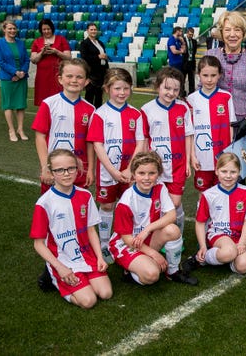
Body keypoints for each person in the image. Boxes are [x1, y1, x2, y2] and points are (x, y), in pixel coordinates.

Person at [30, 149, 112, 309]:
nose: (66, 174)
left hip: (86, 256)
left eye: (70, 168)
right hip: (62, 260)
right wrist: (60, 268)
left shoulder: (85, 196)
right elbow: (38, 244)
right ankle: (53, 277)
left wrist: (100, 257)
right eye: (59, 170)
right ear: (51, 172)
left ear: (77, 169)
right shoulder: (44, 203)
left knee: (106, 293)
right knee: (88, 301)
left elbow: (91, 230)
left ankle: (83, 278)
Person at [109, 151, 198, 285]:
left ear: (158, 174)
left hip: (146, 236)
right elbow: (127, 238)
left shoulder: (160, 187)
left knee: (172, 230)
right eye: (141, 173)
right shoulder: (126, 202)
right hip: (125, 244)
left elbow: (172, 215)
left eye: (152, 173)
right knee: (152, 275)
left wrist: (148, 229)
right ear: (133, 174)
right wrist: (153, 253)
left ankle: (173, 272)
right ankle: (129, 270)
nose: (147, 178)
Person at [87, 68, 145, 259]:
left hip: (130, 173)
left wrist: (129, 169)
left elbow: (140, 143)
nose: (121, 93)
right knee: (107, 206)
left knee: (127, 206)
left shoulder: (135, 114)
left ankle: (122, 240)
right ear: (106, 89)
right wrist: (112, 170)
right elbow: (98, 146)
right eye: (117, 88)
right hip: (107, 173)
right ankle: (104, 244)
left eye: (126, 88)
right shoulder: (100, 114)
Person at [141, 66, 194, 236]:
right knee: (157, 202)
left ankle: (177, 236)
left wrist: (187, 162)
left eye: (175, 89)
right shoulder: (147, 109)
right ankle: (159, 235)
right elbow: (144, 139)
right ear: (158, 87)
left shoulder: (183, 108)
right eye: (167, 88)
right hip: (156, 167)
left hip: (177, 165)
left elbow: (188, 136)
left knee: (175, 203)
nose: (171, 93)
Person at [206, 11, 246, 163]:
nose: (232, 34)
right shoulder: (211, 55)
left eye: (237, 30)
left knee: (243, 170)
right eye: (228, 30)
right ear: (221, 33)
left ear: (244, 33)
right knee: (221, 169)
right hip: (217, 124)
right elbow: (202, 89)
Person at [32, 58, 95, 194]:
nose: (74, 80)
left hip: (80, 169)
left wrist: (90, 169)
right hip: (55, 168)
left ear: (86, 82)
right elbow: (40, 137)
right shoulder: (49, 104)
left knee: (78, 209)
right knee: (52, 208)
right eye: (69, 76)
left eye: (79, 77)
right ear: (60, 79)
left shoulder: (90, 109)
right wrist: (45, 167)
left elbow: (90, 142)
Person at [193, 153, 246, 274]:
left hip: (239, 237)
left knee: (244, 266)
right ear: (217, 171)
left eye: (233, 172)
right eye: (224, 171)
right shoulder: (208, 194)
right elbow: (200, 222)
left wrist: (243, 242)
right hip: (219, 234)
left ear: (239, 172)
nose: (228, 176)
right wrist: (203, 246)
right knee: (229, 251)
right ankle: (203, 258)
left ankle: (226, 259)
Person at [187, 55, 235, 192]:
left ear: (219, 75)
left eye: (213, 75)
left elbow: (230, 126)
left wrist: (230, 150)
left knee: (222, 191)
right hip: (201, 157)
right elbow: (189, 132)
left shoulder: (226, 97)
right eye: (205, 75)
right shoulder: (191, 99)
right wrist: (192, 155)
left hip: (222, 155)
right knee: (204, 194)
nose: (209, 79)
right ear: (198, 75)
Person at [0, 20, 30, 142]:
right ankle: (11, 130)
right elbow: (1, 62)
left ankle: (20, 129)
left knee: (20, 105)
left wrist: (21, 73)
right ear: (4, 29)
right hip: (7, 78)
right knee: (8, 105)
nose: (12, 31)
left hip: (21, 77)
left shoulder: (21, 43)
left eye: (14, 28)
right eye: (9, 29)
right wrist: (14, 72)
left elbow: (26, 60)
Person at [30, 18, 71, 106]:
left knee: (59, 99)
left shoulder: (61, 39)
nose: (46, 31)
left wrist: (56, 52)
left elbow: (68, 57)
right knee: (43, 100)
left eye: (48, 29)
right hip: (42, 75)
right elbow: (33, 60)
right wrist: (42, 53)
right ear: (41, 30)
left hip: (58, 74)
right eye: (44, 29)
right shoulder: (37, 41)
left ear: (52, 28)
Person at [79, 22, 109, 108]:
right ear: (87, 31)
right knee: (90, 96)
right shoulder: (84, 43)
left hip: (101, 73)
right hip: (92, 73)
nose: (93, 31)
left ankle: (98, 114)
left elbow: (103, 56)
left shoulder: (100, 43)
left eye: (95, 29)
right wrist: (98, 56)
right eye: (91, 29)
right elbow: (84, 58)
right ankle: (87, 114)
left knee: (99, 96)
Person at [183, 27, 197, 95]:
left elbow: (194, 53)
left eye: (192, 34)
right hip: (184, 63)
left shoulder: (194, 41)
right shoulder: (182, 41)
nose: (191, 36)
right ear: (187, 33)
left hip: (191, 62)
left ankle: (192, 93)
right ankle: (182, 93)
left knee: (191, 79)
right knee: (183, 79)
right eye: (189, 34)